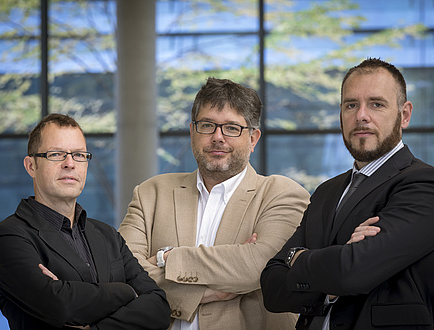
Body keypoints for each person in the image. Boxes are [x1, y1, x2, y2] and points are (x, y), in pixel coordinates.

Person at [261, 58, 434, 330]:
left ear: (405, 114)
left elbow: (353, 273)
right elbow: (272, 287)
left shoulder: (425, 185)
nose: (361, 115)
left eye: (376, 104)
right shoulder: (326, 192)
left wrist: (297, 258)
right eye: (351, 105)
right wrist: (336, 272)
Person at [118, 77, 311, 330]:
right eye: (207, 125)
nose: (217, 137)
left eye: (231, 128)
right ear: (192, 132)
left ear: (253, 139)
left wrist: (167, 258)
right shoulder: (150, 193)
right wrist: (207, 293)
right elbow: (122, 272)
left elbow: (259, 265)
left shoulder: (282, 194)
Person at [0, 113, 171, 330]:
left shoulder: (108, 235)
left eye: (79, 155)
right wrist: (127, 291)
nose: (70, 163)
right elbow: (59, 306)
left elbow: (159, 310)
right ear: (31, 166)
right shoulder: (9, 236)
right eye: (56, 154)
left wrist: (93, 327)